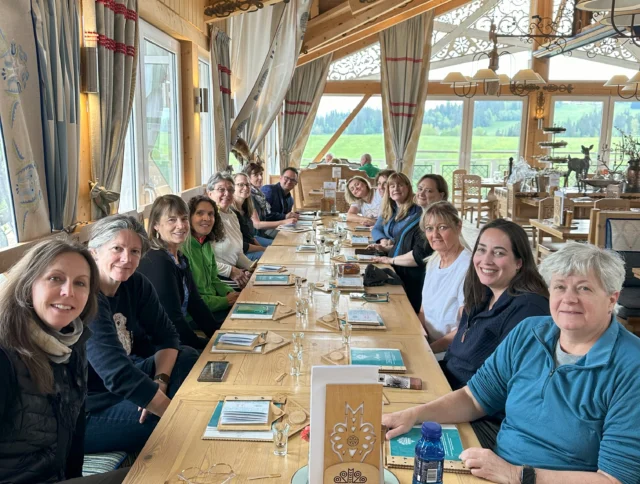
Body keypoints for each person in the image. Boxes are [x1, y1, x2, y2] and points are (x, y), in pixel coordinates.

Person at [383, 244, 640, 484]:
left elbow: (614, 479)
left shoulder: (631, 366)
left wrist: (517, 474)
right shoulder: (530, 332)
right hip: (495, 463)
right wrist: (414, 415)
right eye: (560, 287)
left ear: (611, 299)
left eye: (584, 288)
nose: (569, 299)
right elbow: (474, 399)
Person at [0, 239, 127, 483]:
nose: (68, 291)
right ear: (28, 285)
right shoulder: (5, 355)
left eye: (80, 283)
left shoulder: (71, 342)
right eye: (55, 278)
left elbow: (73, 435)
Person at [85, 215, 198, 454]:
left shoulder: (136, 284)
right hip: (90, 409)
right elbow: (117, 374)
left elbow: (168, 338)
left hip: (127, 381)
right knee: (165, 425)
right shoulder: (86, 297)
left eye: (135, 251)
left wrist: (159, 383)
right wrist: (173, 415)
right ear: (94, 251)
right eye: (117, 249)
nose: (126, 259)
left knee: (186, 356)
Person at [137, 195, 222, 349]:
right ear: (156, 224)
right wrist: (204, 345)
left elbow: (196, 304)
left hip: (176, 337)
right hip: (157, 345)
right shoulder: (158, 261)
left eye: (184, 219)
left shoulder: (180, 257)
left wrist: (220, 334)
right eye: (172, 220)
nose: (181, 225)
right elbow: (172, 317)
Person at [372, 175, 450, 312]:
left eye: (429, 191)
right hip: (402, 276)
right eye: (420, 188)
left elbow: (420, 254)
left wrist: (391, 259)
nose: (421, 193)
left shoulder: (437, 219)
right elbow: (407, 244)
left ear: (441, 195)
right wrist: (387, 249)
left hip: (414, 283)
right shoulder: (421, 215)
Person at [419, 202, 471, 352]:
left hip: (447, 350)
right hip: (427, 341)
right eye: (429, 228)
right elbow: (423, 310)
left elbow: (465, 329)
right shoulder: (434, 260)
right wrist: (419, 339)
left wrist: (428, 351)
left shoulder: (467, 267)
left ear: (458, 226)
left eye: (442, 227)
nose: (434, 235)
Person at [370, 172, 424, 311]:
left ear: (408, 187)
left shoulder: (416, 212)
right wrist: (382, 240)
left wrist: (392, 243)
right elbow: (376, 229)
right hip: (391, 257)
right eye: (392, 186)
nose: (396, 188)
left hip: (404, 265)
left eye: (400, 185)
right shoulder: (390, 208)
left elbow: (406, 237)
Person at [182, 195, 240, 322]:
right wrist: (225, 301)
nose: (207, 218)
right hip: (195, 316)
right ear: (189, 217)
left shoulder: (206, 243)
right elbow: (192, 300)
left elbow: (214, 279)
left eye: (211, 214)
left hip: (215, 304)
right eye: (200, 213)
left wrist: (229, 293)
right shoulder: (182, 249)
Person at [207, 172, 252, 289]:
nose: (227, 194)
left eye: (231, 190)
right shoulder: (208, 219)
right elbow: (203, 261)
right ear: (210, 193)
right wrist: (231, 271)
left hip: (233, 273)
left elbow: (238, 252)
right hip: (217, 278)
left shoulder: (232, 215)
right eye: (221, 189)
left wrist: (251, 267)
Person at [243, 162, 291, 239]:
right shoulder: (250, 196)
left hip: (263, 232)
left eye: (261, 174)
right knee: (286, 238)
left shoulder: (259, 194)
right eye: (256, 175)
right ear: (247, 178)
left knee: (289, 233)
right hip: (255, 236)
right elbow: (257, 225)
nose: (260, 178)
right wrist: (284, 221)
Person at [232, 172, 271, 261]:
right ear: (232, 187)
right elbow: (241, 245)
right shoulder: (231, 211)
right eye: (240, 185)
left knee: (274, 250)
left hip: (249, 246)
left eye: (248, 184)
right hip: (239, 254)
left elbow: (250, 236)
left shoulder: (246, 208)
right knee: (270, 256)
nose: (245, 188)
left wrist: (261, 247)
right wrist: (263, 249)